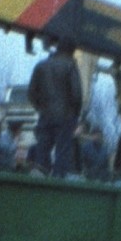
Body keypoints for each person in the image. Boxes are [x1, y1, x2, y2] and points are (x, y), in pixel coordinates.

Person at [27, 40, 84, 178]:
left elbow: (31, 93)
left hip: (45, 115)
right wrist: (75, 115)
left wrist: (40, 107)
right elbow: (76, 95)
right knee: (62, 151)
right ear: (71, 51)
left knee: (42, 148)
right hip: (65, 116)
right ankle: (57, 179)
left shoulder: (41, 66)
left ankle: (40, 176)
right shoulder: (70, 66)